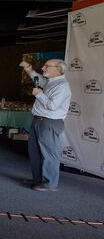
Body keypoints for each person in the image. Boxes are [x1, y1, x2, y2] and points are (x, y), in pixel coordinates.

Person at [20, 60, 71, 191]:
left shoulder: (62, 86)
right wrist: (29, 70)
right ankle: (38, 180)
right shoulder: (51, 81)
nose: (43, 68)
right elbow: (39, 79)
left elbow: (52, 106)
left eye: (46, 66)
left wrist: (39, 94)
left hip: (49, 122)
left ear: (58, 69)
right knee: (34, 152)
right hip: (39, 120)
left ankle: (50, 184)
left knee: (49, 154)